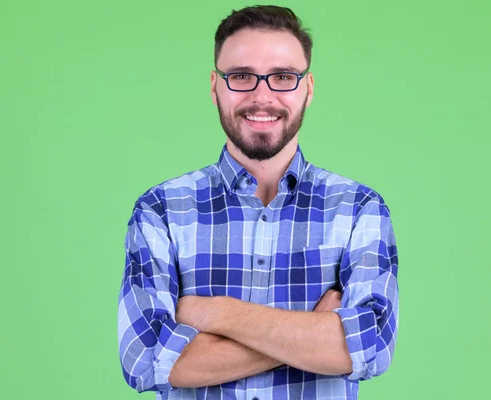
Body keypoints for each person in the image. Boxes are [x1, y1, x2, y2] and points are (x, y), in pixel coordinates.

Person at [117, 5, 399, 400]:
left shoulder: (358, 208)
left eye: (283, 77)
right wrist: (311, 333)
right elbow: (145, 359)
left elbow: (370, 347)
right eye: (242, 77)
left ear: (308, 88)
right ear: (215, 87)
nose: (262, 95)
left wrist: (217, 314)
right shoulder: (161, 210)